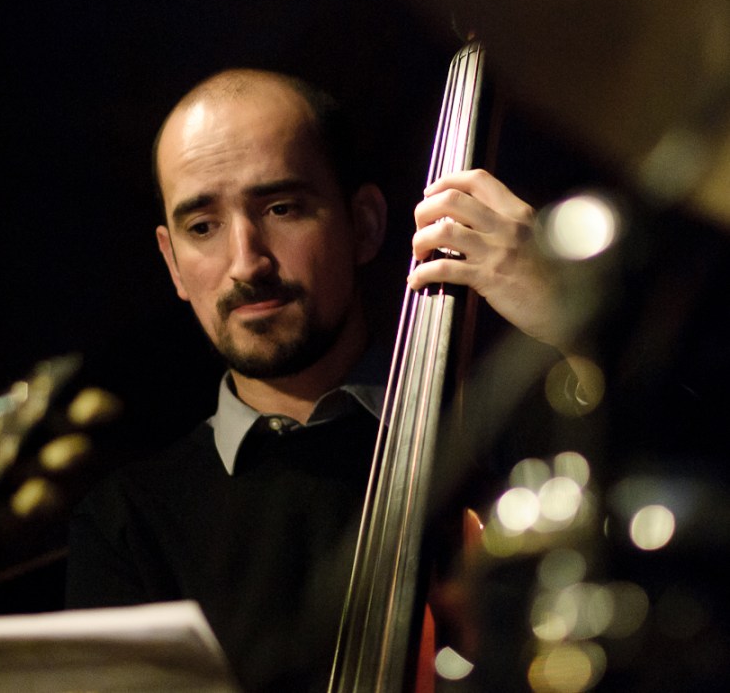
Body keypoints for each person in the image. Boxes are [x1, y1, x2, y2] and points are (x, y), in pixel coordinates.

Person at [65, 68, 560, 692]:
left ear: (365, 224)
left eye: (281, 208)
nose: (246, 262)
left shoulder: (509, 434)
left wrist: (563, 316)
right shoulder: (127, 526)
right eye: (202, 226)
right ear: (172, 263)